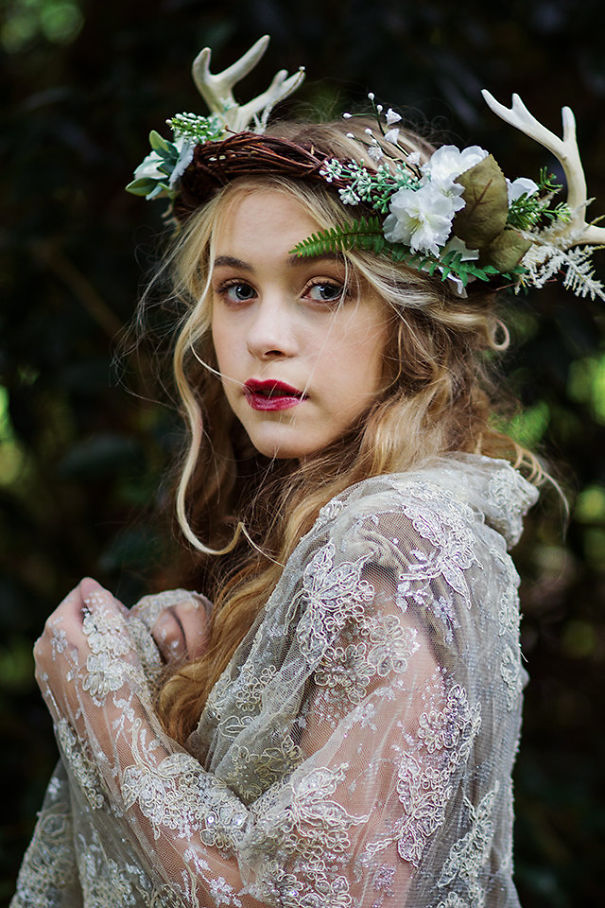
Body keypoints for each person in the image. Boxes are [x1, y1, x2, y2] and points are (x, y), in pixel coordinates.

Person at [11, 36, 605, 908]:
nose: (263, 336)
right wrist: (186, 681)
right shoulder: (351, 522)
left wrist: (103, 705)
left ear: (409, 320)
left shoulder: (392, 544)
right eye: (237, 289)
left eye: (324, 288)